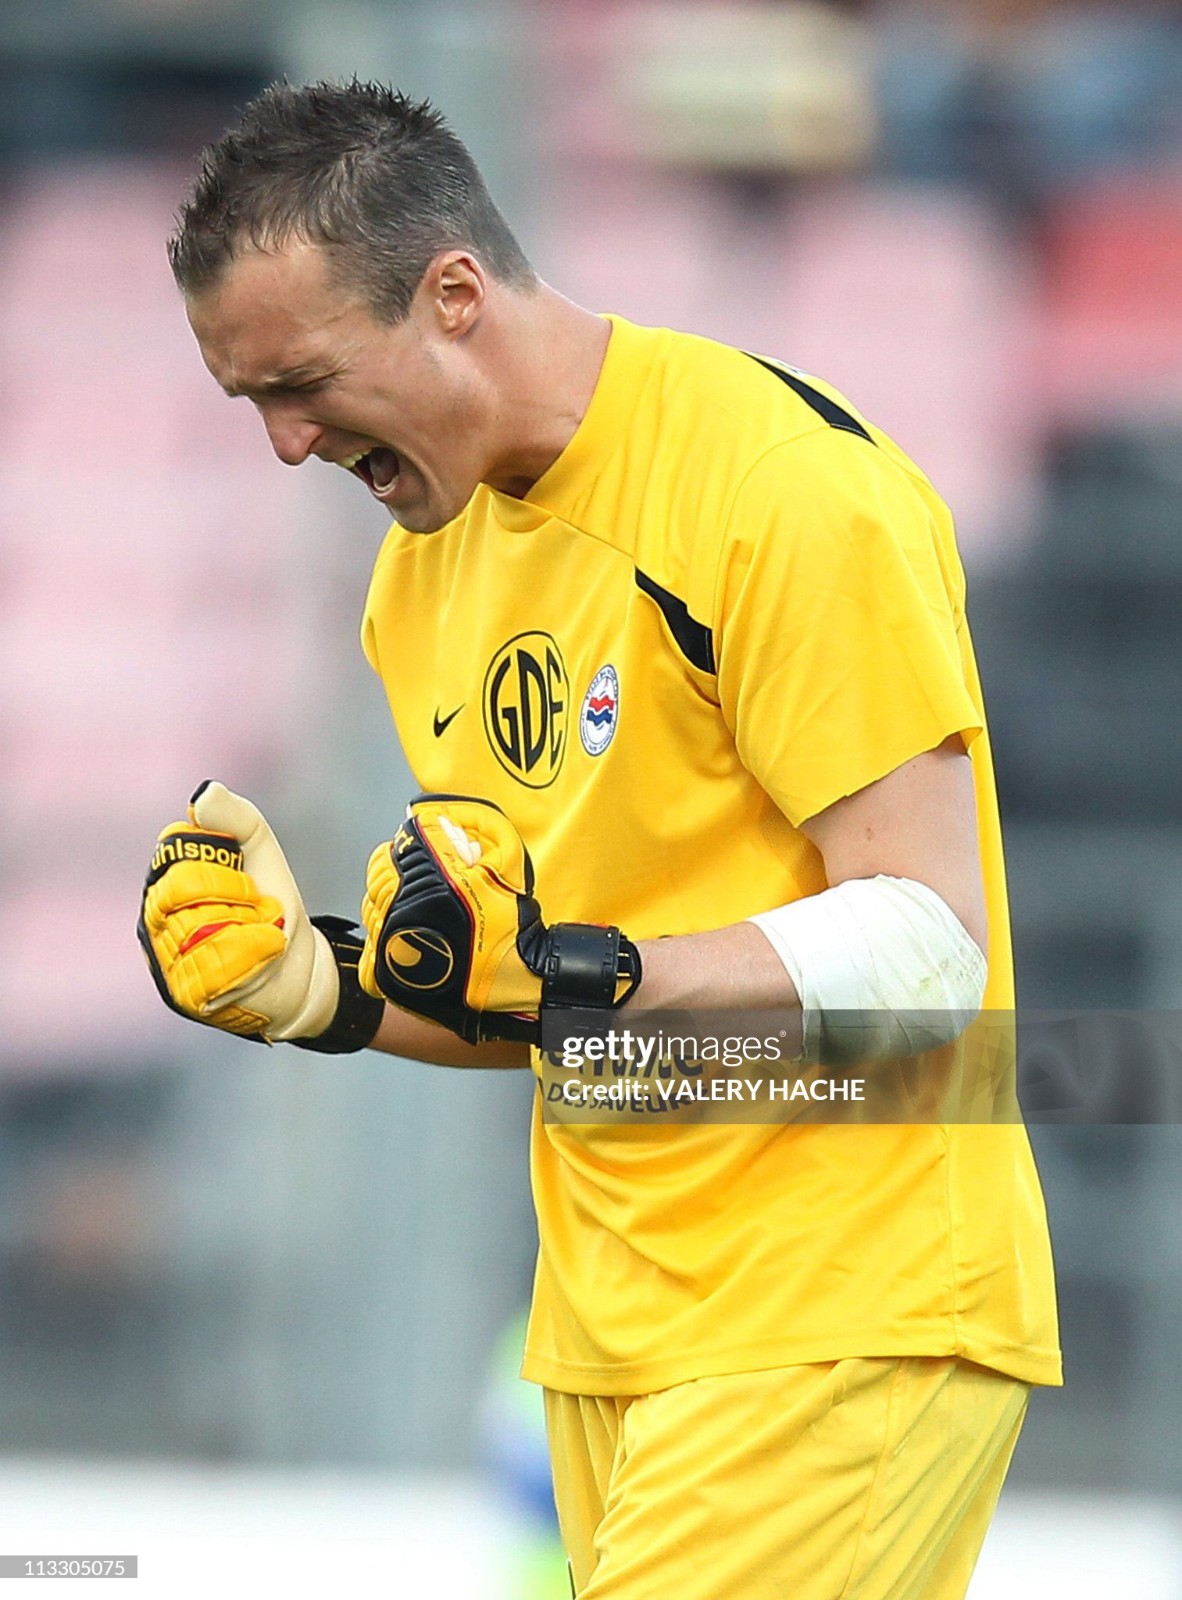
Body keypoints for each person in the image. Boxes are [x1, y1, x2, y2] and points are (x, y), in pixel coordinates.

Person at [138, 80, 1060, 1600]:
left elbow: (926, 944)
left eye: (299, 382)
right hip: (606, 1323)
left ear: (450, 298)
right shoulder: (416, 581)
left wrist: (589, 969)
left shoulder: (778, 489)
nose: (286, 444)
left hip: (838, 1302)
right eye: (249, 404)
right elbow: (537, 996)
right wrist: (315, 988)